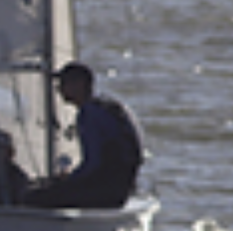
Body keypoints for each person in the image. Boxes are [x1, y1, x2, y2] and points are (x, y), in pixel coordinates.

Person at [22, 61, 143, 209]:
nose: (59, 89)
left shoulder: (89, 114)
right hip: (121, 189)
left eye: (63, 83)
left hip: (104, 192)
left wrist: (68, 180)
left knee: (32, 197)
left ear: (79, 84)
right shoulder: (110, 107)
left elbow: (93, 163)